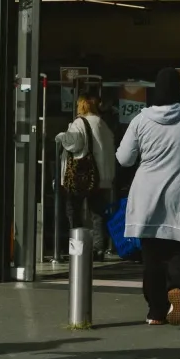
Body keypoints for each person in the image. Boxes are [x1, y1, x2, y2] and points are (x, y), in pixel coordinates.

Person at [116, 66, 180, 326]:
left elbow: (124, 159)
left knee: (152, 257)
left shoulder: (140, 120)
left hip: (147, 195)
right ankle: (178, 289)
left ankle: (156, 312)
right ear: (178, 90)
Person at [55, 93, 115, 256]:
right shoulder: (102, 124)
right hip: (101, 177)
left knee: (73, 210)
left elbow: (73, 143)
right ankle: (98, 247)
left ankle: (78, 246)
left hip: (82, 176)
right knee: (97, 213)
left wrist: (61, 136)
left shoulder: (79, 123)